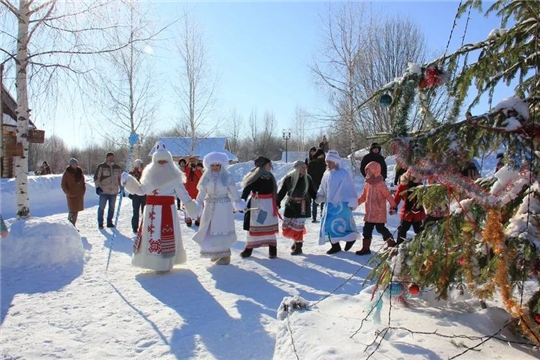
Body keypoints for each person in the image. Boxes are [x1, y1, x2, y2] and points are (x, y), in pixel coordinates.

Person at [121, 141, 199, 273]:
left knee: (164, 236)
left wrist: (191, 206)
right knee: (151, 236)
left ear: (169, 161)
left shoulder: (174, 177)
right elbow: (140, 190)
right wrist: (128, 180)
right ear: (155, 161)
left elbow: (183, 194)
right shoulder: (149, 176)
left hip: (166, 211)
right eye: (159, 161)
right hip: (151, 211)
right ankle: (151, 260)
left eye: (164, 161)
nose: (162, 163)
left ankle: (165, 262)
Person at [192, 152, 246, 265]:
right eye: (213, 165)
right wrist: (198, 203)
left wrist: (238, 201)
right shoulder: (206, 178)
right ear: (209, 166)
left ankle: (225, 254)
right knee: (210, 229)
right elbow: (202, 192)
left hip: (223, 207)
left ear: (221, 165)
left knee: (222, 228)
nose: (215, 167)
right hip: (210, 205)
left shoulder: (226, 177)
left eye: (217, 165)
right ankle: (215, 252)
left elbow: (233, 191)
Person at [316, 150, 358, 254]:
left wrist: (352, 200)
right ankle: (335, 246)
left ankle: (351, 239)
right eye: (327, 162)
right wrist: (320, 195)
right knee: (327, 225)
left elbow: (349, 188)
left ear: (336, 162)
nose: (328, 164)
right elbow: (323, 186)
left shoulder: (343, 173)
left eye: (330, 162)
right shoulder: (326, 173)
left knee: (345, 224)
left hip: (342, 205)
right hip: (329, 205)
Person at [240, 156, 280, 259]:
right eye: (268, 165)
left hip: (269, 205)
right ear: (262, 166)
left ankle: (272, 249)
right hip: (257, 205)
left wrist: (277, 202)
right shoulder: (255, 177)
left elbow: (274, 192)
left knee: (269, 227)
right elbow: (247, 189)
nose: (270, 167)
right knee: (255, 227)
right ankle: (249, 249)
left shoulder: (271, 177)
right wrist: (242, 200)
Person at [355, 161, 397, 255]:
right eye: (367, 171)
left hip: (379, 212)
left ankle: (391, 243)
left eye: (369, 171)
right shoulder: (367, 183)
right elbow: (363, 196)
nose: (368, 173)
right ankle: (366, 248)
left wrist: (393, 205)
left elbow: (388, 195)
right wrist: (356, 203)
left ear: (375, 171)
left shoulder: (380, 183)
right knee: (366, 229)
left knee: (380, 228)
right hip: (369, 212)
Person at [277, 160, 317, 255]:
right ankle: (296, 240)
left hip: (302, 206)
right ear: (297, 168)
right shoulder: (288, 178)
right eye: (302, 167)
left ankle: (298, 247)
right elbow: (282, 191)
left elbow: (312, 191)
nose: (305, 169)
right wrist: (277, 202)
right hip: (291, 205)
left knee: (298, 227)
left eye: (305, 167)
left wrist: (318, 198)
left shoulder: (307, 178)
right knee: (286, 227)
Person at [392, 169, 426, 245]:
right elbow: (397, 197)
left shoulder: (419, 185)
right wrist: (393, 207)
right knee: (402, 230)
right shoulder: (403, 185)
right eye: (410, 175)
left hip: (418, 213)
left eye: (414, 176)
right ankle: (399, 246)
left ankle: (422, 246)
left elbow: (424, 198)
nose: (412, 177)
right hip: (407, 213)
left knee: (419, 231)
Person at [94, 152, 122, 229]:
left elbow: (120, 179)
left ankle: (109, 222)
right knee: (101, 207)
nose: (111, 158)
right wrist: (97, 187)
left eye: (112, 157)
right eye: (110, 157)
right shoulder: (102, 166)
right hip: (104, 191)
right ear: (106, 158)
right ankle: (100, 223)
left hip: (114, 191)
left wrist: (121, 187)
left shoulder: (117, 167)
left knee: (112, 208)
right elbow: (97, 177)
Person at [61, 158, 86, 227]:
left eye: (76, 164)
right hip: (71, 195)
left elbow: (83, 182)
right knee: (72, 211)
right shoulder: (67, 173)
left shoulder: (79, 171)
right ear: (70, 165)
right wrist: (68, 192)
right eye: (73, 164)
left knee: (76, 211)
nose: (75, 166)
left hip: (79, 194)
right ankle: (69, 227)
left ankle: (73, 226)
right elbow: (63, 184)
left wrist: (83, 191)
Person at [307, 148, 326, 222]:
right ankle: (318, 216)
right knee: (318, 200)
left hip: (318, 183)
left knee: (319, 200)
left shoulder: (312, 163)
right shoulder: (322, 163)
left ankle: (319, 215)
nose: (322, 156)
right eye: (321, 155)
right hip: (318, 183)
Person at [129, 159, 146, 234]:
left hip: (144, 194)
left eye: (142, 165)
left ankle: (145, 226)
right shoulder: (132, 173)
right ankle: (135, 227)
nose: (141, 166)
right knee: (135, 211)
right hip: (136, 195)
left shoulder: (145, 173)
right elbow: (130, 183)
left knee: (145, 211)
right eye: (140, 165)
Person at [184, 156, 203, 227]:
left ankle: (198, 219)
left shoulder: (198, 169)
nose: (192, 163)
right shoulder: (186, 168)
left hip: (197, 190)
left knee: (199, 205)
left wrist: (195, 170)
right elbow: (185, 176)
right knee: (188, 204)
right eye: (191, 162)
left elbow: (201, 177)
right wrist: (189, 168)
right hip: (188, 190)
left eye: (193, 162)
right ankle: (188, 220)